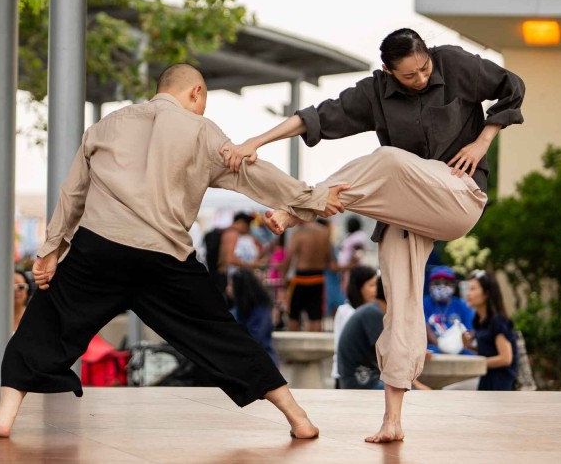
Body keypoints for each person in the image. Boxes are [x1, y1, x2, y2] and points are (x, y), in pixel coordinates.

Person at [0, 63, 349, 438]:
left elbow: (73, 194)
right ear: (195, 93)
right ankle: (297, 417)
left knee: (44, 321)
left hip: (99, 249)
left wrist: (49, 251)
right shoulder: (201, 130)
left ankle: (3, 417)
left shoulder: (107, 125)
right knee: (220, 333)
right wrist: (314, 198)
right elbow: (253, 173)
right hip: (164, 256)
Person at [221, 27, 524, 442]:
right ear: (387, 71)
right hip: (408, 208)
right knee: (399, 305)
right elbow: (318, 117)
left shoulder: (454, 63)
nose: (419, 79)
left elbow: (512, 87)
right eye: (408, 76)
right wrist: (256, 140)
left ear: (427, 55)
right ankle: (392, 420)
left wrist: (483, 140)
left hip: (458, 195)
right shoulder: (376, 92)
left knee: (386, 160)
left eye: (423, 70)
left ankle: (297, 209)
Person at [462, 270, 517, 390]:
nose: (468, 294)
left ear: (486, 293)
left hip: (500, 386)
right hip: (486, 380)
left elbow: (506, 358)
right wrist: (469, 346)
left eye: (472, 289)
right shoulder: (479, 320)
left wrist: (477, 364)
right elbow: (490, 350)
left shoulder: (498, 321)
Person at [282, 218, 334, 332]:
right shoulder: (325, 232)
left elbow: (289, 257)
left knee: (294, 315)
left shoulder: (299, 233)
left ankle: (292, 345)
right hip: (318, 278)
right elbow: (330, 261)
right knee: (316, 316)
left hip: (301, 278)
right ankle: (317, 347)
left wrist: (283, 277)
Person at [332, 265, 377, 387]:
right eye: (371, 285)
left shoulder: (373, 311)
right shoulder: (346, 311)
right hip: (349, 374)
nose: (376, 290)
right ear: (359, 287)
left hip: (367, 373)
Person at [228, 269, 278, 366]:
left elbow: (255, 338)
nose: (228, 289)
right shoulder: (238, 309)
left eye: (231, 285)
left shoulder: (261, 310)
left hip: (261, 359)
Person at [423, 265, 474, 353]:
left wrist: (462, 343)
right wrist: (441, 347)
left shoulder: (462, 305)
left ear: (453, 285)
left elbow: (470, 331)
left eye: (446, 283)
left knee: (469, 355)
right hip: (434, 347)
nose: (441, 286)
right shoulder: (423, 303)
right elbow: (425, 327)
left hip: (459, 348)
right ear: (430, 284)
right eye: (436, 282)